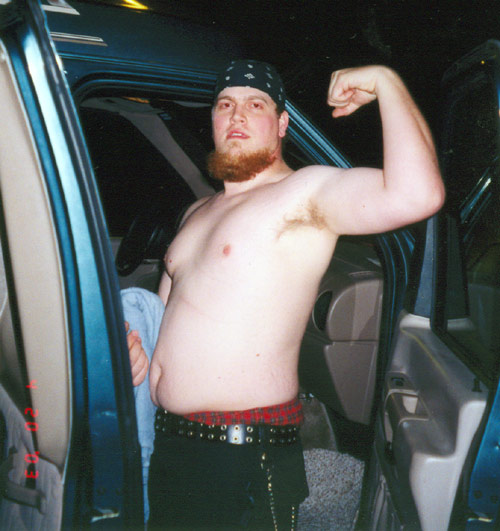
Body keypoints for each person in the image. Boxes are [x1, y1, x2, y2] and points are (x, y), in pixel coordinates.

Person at [128, 60, 445, 529]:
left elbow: (418, 195)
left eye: (255, 105)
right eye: (224, 105)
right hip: (168, 442)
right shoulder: (197, 211)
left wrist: (387, 82)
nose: (237, 115)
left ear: (281, 124)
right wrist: (135, 348)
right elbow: (169, 320)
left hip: (240, 456)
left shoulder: (304, 193)